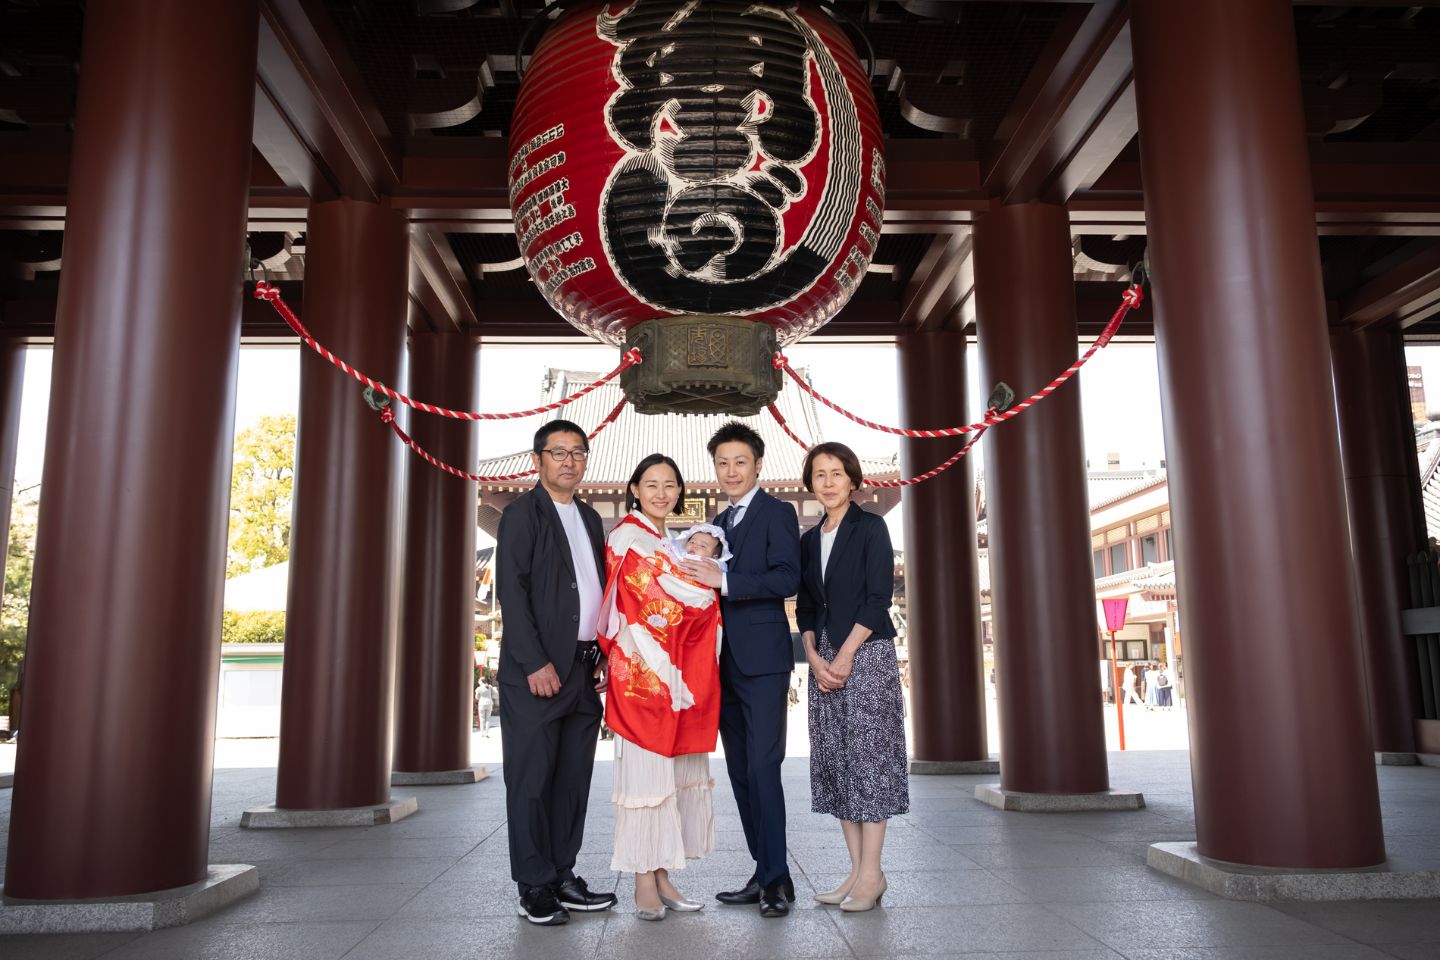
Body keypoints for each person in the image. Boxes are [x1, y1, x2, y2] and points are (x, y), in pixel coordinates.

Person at [495, 418, 618, 926]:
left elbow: (601, 590)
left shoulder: (590, 519)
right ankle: (533, 883)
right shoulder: (522, 515)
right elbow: (512, 591)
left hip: (585, 666)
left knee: (572, 779)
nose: (569, 461)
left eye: (577, 453)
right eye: (558, 452)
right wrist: (534, 661)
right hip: (539, 670)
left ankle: (563, 873)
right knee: (531, 780)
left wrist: (608, 652)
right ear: (538, 460)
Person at [679, 421, 801, 919]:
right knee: (739, 771)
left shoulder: (778, 513)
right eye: (722, 463)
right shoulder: (715, 524)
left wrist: (724, 577)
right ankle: (764, 869)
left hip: (764, 662)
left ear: (758, 465)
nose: (731, 471)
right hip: (719, 663)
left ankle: (776, 880)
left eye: (740, 462)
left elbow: (787, 577)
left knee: (764, 768)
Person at [598, 454, 723, 921]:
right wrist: (708, 590)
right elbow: (665, 595)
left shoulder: (662, 540)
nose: (661, 493)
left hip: (668, 672)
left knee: (670, 774)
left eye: (670, 484)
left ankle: (663, 873)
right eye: (651, 484)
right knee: (646, 777)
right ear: (634, 489)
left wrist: (701, 585)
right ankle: (641, 881)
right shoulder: (629, 537)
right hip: (642, 675)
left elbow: (682, 584)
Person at [796, 442, 907, 913]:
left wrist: (842, 657)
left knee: (869, 764)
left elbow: (878, 596)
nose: (828, 482)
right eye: (819, 474)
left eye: (836, 473)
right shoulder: (808, 538)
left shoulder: (870, 527)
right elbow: (803, 605)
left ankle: (871, 873)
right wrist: (814, 658)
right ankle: (858, 871)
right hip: (823, 658)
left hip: (866, 653)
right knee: (838, 763)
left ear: (852, 478)